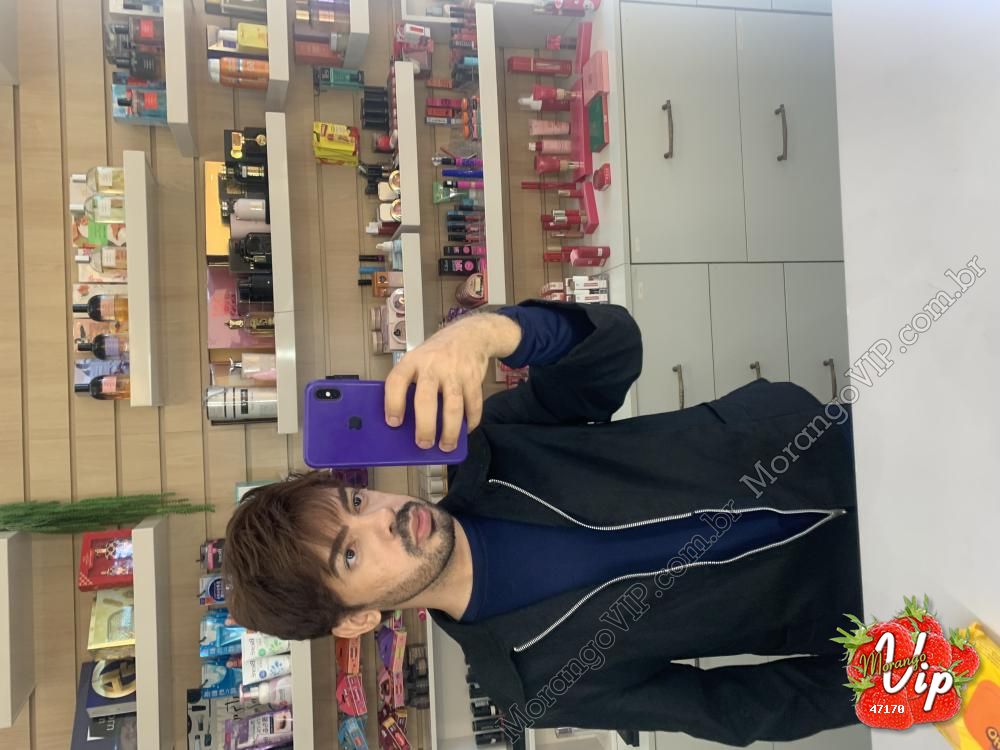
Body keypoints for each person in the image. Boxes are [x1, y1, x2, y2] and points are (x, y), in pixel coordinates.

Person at [224, 300, 863, 747]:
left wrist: (484, 333)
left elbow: (613, 350)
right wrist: (898, 675)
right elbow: (735, 709)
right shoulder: (533, 684)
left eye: (356, 502)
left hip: (824, 444)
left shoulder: (496, 444)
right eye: (350, 555)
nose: (385, 520)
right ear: (358, 620)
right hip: (851, 592)